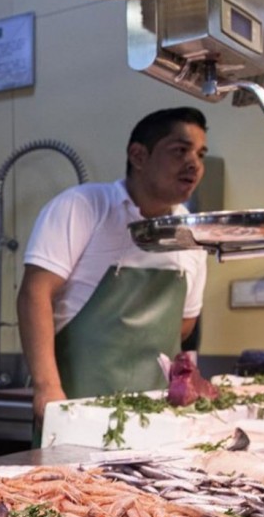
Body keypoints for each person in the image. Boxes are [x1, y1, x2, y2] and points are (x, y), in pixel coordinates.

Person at [17, 107, 210, 423]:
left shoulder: (192, 236)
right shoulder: (82, 206)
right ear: (138, 155)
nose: (194, 164)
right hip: (76, 410)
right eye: (179, 151)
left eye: (200, 154)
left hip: (156, 416)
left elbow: (184, 323)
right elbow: (34, 294)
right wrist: (46, 387)